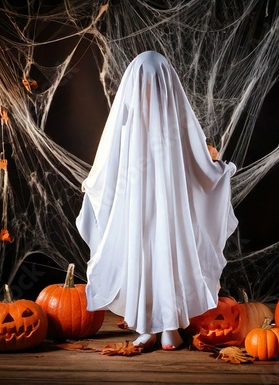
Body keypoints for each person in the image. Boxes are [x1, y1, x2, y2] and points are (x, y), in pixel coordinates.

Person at [76, 50, 238, 350]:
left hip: (169, 210)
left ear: (166, 88)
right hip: (134, 209)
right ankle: (148, 326)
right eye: (143, 87)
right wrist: (96, 184)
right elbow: (109, 161)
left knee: (169, 254)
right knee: (142, 256)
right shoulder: (126, 126)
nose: (148, 94)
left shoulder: (177, 126)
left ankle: (169, 326)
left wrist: (218, 172)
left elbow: (196, 161)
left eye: (155, 86)